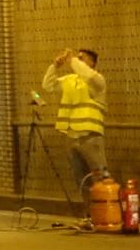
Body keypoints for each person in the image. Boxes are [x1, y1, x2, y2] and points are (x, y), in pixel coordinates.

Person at [40, 47, 107, 194]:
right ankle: (89, 213)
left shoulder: (97, 81)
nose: (78, 60)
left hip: (90, 137)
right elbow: (48, 85)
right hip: (71, 137)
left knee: (100, 177)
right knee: (81, 179)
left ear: (93, 63)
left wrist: (72, 60)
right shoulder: (70, 80)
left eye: (82, 58)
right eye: (77, 57)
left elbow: (87, 75)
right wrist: (55, 67)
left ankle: (105, 213)